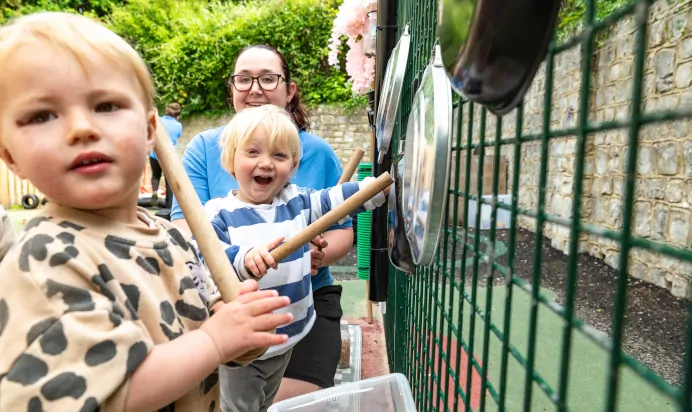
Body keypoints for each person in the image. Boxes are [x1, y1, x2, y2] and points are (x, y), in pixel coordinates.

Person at [0, 12, 293, 411]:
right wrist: (215, 340)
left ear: (150, 129)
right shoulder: (46, 260)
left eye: (106, 105)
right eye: (42, 115)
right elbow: (116, 393)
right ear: (9, 155)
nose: (80, 128)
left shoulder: (169, 236)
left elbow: (198, 338)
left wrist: (236, 334)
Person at [170, 45, 354, 401]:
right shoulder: (204, 148)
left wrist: (317, 255)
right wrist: (237, 260)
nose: (255, 88)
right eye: (244, 79)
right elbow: (187, 233)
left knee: (295, 399)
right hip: (230, 300)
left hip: (307, 295)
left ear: (289, 90)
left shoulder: (316, 151)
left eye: (268, 78)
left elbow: (340, 230)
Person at [203, 104, 386, 411]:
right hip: (245, 346)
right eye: (252, 153)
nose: (266, 163)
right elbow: (212, 256)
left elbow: (332, 200)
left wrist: (373, 189)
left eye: (279, 155)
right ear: (230, 160)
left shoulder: (296, 202)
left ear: (294, 165)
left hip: (291, 336)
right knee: (240, 406)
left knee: (267, 401)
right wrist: (245, 258)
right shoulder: (219, 213)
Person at [150, 102, 183, 208]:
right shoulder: (178, 126)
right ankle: (169, 204)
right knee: (169, 179)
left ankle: (155, 192)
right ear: (177, 115)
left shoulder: (159, 121)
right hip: (168, 156)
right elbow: (177, 137)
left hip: (154, 154)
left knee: (155, 176)